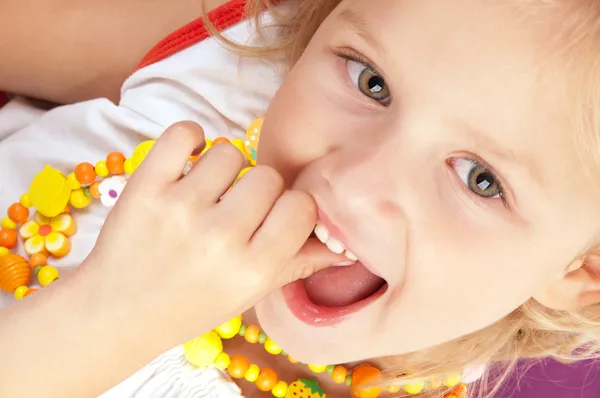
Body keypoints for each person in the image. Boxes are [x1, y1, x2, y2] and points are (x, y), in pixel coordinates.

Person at [1, 0, 600, 397]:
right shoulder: (228, 53)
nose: (358, 186)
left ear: (586, 269)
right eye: (371, 82)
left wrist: (109, 323)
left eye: (480, 179)